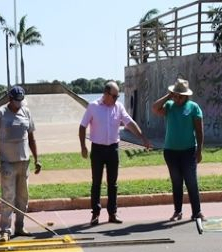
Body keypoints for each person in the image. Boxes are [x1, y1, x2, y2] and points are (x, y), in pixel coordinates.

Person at [79, 81, 151, 225]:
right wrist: (83, 147)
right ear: (106, 94)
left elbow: (129, 123)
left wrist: (142, 138)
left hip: (113, 149)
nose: (117, 99)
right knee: (96, 182)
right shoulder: (93, 107)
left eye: (118, 96)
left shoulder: (118, 107)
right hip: (98, 149)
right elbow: (82, 127)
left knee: (113, 183)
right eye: (115, 96)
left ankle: (112, 213)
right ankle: (95, 213)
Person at [0, 85, 41, 242]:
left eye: (21, 100)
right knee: (8, 197)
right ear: (9, 99)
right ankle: (5, 229)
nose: (19, 103)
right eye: (16, 100)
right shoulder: (0, 113)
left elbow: (31, 137)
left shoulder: (26, 112)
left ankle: (20, 226)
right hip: (7, 163)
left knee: (23, 197)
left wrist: (37, 159)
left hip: (24, 162)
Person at [151, 78, 205, 222]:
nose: (178, 99)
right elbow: (155, 108)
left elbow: (199, 131)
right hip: (171, 151)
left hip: (188, 150)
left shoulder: (193, 107)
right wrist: (168, 96)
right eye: (176, 95)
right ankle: (177, 212)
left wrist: (199, 150)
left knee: (191, 181)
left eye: (181, 96)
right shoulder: (169, 106)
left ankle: (197, 212)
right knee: (176, 182)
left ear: (187, 96)